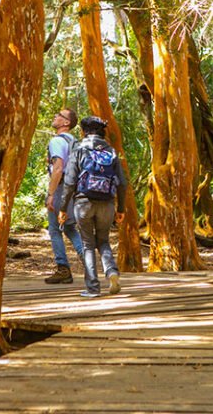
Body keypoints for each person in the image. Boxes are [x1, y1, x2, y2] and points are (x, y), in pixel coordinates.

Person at [59, 116, 125, 298]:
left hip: (84, 203)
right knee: (103, 241)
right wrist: (121, 209)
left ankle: (93, 288)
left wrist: (63, 208)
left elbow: (69, 182)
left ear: (83, 131)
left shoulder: (79, 149)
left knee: (88, 244)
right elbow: (122, 183)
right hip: (107, 204)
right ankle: (112, 271)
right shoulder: (111, 151)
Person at [44, 108, 83, 284]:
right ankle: (88, 262)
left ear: (66, 123)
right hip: (73, 189)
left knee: (54, 229)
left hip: (60, 188)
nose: (55, 116)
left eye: (59, 115)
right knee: (68, 228)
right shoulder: (74, 141)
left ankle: (63, 269)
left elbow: (58, 168)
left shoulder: (57, 141)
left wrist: (51, 194)